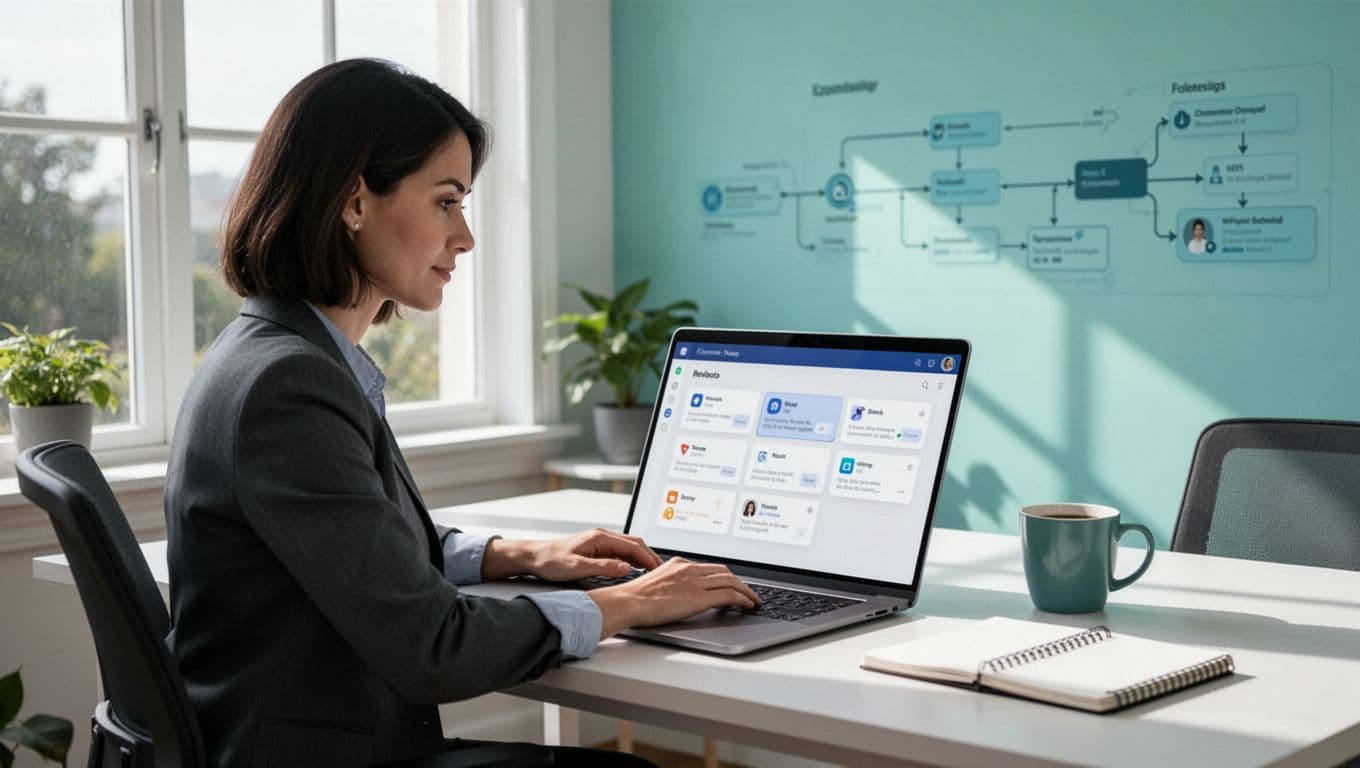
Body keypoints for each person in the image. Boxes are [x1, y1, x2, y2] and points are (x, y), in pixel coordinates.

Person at [164, 59, 758, 768]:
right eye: (447, 201)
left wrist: (519, 554)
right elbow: (433, 646)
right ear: (354, 202)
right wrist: (629, 604)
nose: (466, 237)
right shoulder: (287, 386)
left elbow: (364, 543)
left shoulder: (273, 353)